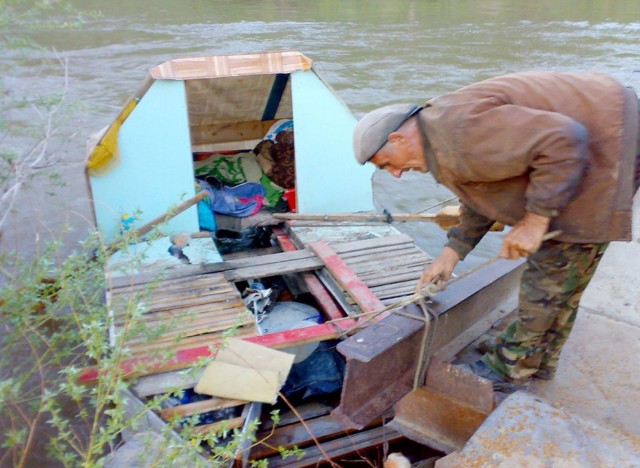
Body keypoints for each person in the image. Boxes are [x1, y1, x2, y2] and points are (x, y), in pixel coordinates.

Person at [353, 71, 640, 393]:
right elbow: (483, 191)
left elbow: (563, 138)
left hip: (610, 136)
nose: (396, 174)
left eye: (387, 163)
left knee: (553, 266)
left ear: (398, 139)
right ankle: (541, 360)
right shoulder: (440, 139)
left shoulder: (461, 131)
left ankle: (508, 371)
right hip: (599, 133)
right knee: (565, 276)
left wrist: (534, 221)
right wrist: (453, 252)